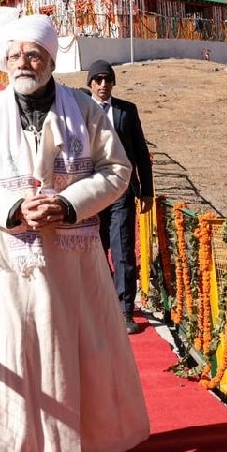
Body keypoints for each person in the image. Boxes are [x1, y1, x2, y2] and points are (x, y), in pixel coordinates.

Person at [0, 15, 150, 452]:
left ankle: (77, 447)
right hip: (10, 268)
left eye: (33, 54)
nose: (24, 63)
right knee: (17, 363)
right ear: (4, 61)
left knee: (77, 355)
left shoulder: (84, 108)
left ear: (51, 59)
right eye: (14, 55)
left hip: (73, 261)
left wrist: (69, 204)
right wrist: (13, 209)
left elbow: (117, 169)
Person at [86, 59, 154, 334]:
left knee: (123, 248)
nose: (103, 85)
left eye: (108, 80)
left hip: (122, 190)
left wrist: (146, 190)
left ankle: (125, 310)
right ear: (90, 84)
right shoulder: (81, 110)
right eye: (98, 80)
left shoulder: (127, 111)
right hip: (90, 191)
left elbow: (140, 152)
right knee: (95, 249)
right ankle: (101, 304)